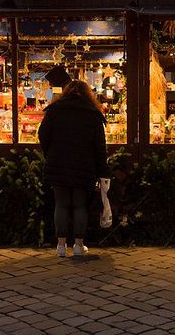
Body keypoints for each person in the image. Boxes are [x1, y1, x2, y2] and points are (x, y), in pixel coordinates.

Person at [38, 76, 108, 258]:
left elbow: (42, 135)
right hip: (84, 165)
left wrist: (51, 153)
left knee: (60, 204)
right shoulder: (93, 113)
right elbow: (100, 146)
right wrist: (103, 170)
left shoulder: (54, 111)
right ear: (88, 95)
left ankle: (61, 246)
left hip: (58, 163)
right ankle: (78, 245)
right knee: (79, 205)